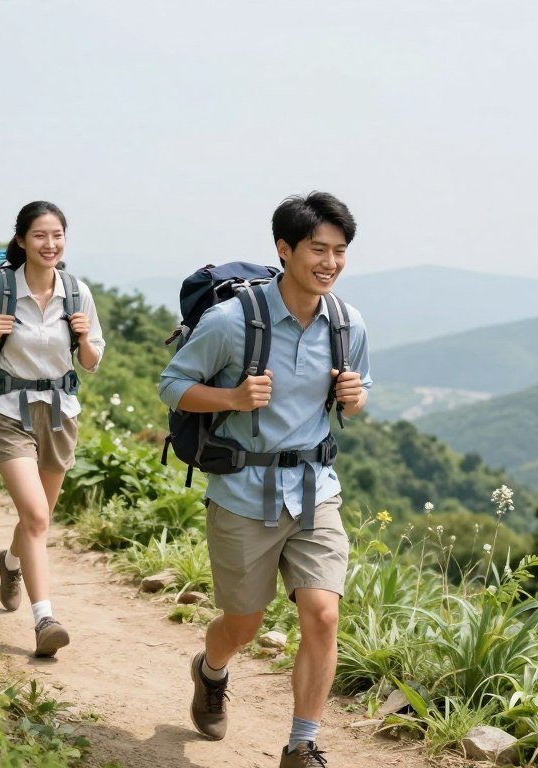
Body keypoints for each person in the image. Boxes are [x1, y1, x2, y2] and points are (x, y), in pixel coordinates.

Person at [158, 192, 371, 767]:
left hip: (314, 489)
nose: (329, 262)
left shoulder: (348, 325)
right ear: (284, 249)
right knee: (242, 626)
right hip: (242, 493)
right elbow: (172, 385)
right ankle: (211, 670)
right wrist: (231, 396)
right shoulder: (233, 322)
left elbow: (356, 396)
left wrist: (355, 399)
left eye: (340, 251)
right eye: (317, 249)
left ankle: (302, 744)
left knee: (324, 613)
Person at [0, 200, 105, 658]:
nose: (50, 244)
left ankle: (11, 562)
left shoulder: (77, 294)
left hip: (60, 412)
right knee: (37, 516)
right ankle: (45, 620)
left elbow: (93, 362)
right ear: (21, 240)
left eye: (57, 235)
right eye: (40, 235)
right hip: (8, 410)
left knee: (38, 517)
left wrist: (82, 338)